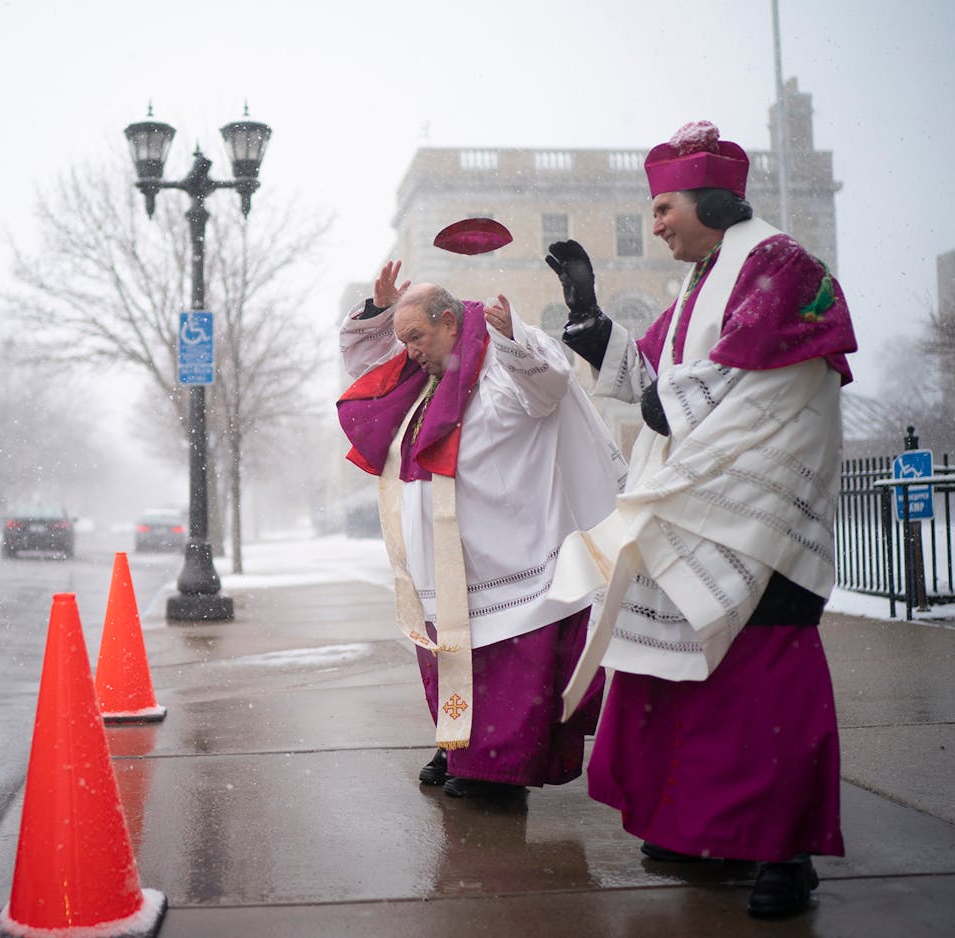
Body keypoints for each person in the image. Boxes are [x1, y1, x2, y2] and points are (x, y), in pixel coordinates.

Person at [544, 120, 857, 918]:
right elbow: (659, 374)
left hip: (759, 496)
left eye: (663, 206)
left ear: (714, 199)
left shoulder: (778, 261)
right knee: (688, 666)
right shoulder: (704, 279)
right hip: (702, 487)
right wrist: (586, 315)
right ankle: (705, 829)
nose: (654, 225)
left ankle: (787, 852)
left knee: (767, 677)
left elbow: (736, 378)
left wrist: (665, 402)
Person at [337, 261, 625, 799]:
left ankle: (498, 775)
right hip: (447, 560)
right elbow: (365, 367)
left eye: (416, 336)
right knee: (453, 659)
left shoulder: (502, 345)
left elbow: (549, 387)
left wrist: (515, 336)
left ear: (449, 321)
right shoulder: (427, 369)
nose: (410, 350)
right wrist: (380, 312)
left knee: (509, 668)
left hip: (511, 548)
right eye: (404, 340)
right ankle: (458, 745)